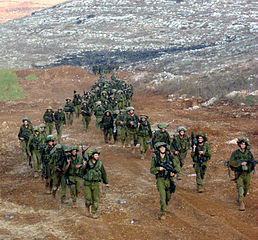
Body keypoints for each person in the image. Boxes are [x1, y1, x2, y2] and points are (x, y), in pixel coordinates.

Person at [150, 142, 179, 220]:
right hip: (160, 179)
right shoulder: (155, 158)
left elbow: (176, 167)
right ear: (158, 149)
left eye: (163, 147)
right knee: (163, 197)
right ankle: (163, 212)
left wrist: (173, 173)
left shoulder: (169, 157)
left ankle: (164, 206)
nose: (162, 149)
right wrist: (158, 169)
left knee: (168, 196)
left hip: (169, 179)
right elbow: (151, 170)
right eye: (161, 148)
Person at [81, 148, 109, 218]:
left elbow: (103, 172)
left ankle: (94, 212)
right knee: (88, 199)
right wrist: (84, 166)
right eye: (96, 155)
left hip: (96, 183)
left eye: (97, 155)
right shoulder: (87, 163)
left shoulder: (100, 163)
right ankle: (87, 208)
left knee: (95, 199)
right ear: (92, 155)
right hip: (87, 183)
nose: (97, 156)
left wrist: (106, 182)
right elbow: (82, 173)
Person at [229, 137, 256, 211]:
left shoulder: (249, 153)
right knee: (240, 187)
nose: (243, 145)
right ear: (239, 145)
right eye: (242, 144)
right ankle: (241, 203)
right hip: (239, 174)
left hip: (247, 174)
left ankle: (240, 198)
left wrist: (248, 165)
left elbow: (253, 162)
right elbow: (231, 162)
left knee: (246, 188)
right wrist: (240, 164)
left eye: (244, 144)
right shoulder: (235, 153)